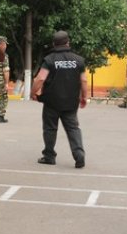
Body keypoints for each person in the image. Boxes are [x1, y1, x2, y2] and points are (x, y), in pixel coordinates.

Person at [30, 31, 87, 168]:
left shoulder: (50, 59)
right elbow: (83, 81)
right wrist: (84, 97)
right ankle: (79, 154)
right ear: (68, 42)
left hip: (51, 101)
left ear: (54, 44)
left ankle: (49, 156)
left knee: (50, 128)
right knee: (73, 128)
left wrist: (33, 93)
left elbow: (41, 78)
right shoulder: (79, 60)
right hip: (71, 102)